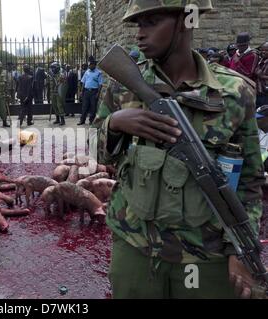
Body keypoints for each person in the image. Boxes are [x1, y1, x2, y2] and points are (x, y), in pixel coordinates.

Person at [94, 0, 264, 299]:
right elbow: (100, 157)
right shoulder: (122, 87)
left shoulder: (234, 93)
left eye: (152, 22)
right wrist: (117, 123)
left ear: (187, 20)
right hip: (135, 248)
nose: (139, 34)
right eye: (138, 25)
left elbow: (250, 181)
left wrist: (239, 248)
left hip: (205, 255)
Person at [78, 59, 103, 126]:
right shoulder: (87, 72)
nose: (89, 66)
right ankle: (82, 120)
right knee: (84, 107)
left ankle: (91, 121)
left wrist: (98, 93)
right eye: (89, 65)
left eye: (90, 65)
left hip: (94, 92)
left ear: (94, 65)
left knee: (93, 107)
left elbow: (100, 84)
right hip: (86, 91)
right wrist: (81, 91)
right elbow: (83, 82)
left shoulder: (99, 73)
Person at [48, 62, 67, 126]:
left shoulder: (61, 75)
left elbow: (58, 83)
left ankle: (62, 120)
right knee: (54, 106)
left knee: (59, 106)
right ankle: (57, 119)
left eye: (53, 68)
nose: (52, 70)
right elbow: (49, 84)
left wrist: (53, 77)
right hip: (53, 92)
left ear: (57, 68)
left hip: (59, 93)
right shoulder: (52, 75)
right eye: (52, 68)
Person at [256, 42, 268, 108]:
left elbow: (260, 75)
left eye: (266, 50)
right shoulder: (260, 60)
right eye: (262, 50)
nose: (264, 52)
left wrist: (262, 76)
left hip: (266, 94)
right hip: (259, 92)